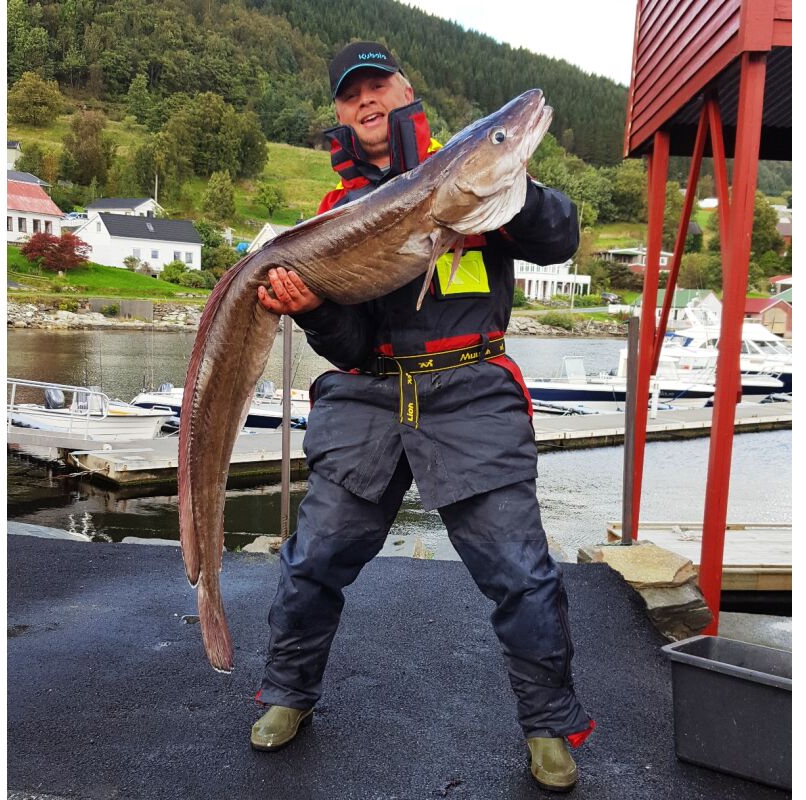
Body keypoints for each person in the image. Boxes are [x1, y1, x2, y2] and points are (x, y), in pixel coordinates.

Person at [250, 41, 593, 792]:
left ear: (408, 92)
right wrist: (313, 312)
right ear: (341, 114)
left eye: (378, 85)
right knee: (313, 561)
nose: (366, 101)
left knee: (520, 572)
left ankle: (548, 724)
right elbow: (349, 344)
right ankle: (287, 692)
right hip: (367, 396)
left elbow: (560, 238)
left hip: (470, 391)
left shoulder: (477, 170)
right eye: (351, 95)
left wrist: (507, 186)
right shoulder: (335, 216)